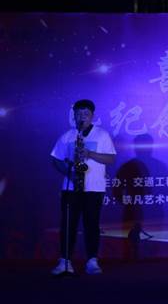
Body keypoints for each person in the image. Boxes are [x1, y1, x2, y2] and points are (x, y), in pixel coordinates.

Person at [50, 99, 116, 275]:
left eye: (86, 113)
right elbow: (55, 159)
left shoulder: (102, 135)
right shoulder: (68, 136)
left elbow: (110, 158)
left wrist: (89, 154)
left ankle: (92, 260)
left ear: (92, 116)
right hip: (71, 188)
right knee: (68, 225)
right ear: (74, 116)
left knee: (92, 225)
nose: (82, 117)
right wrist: (69, 174)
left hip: (94, 188)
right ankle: (65, 260)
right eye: (79, 113)